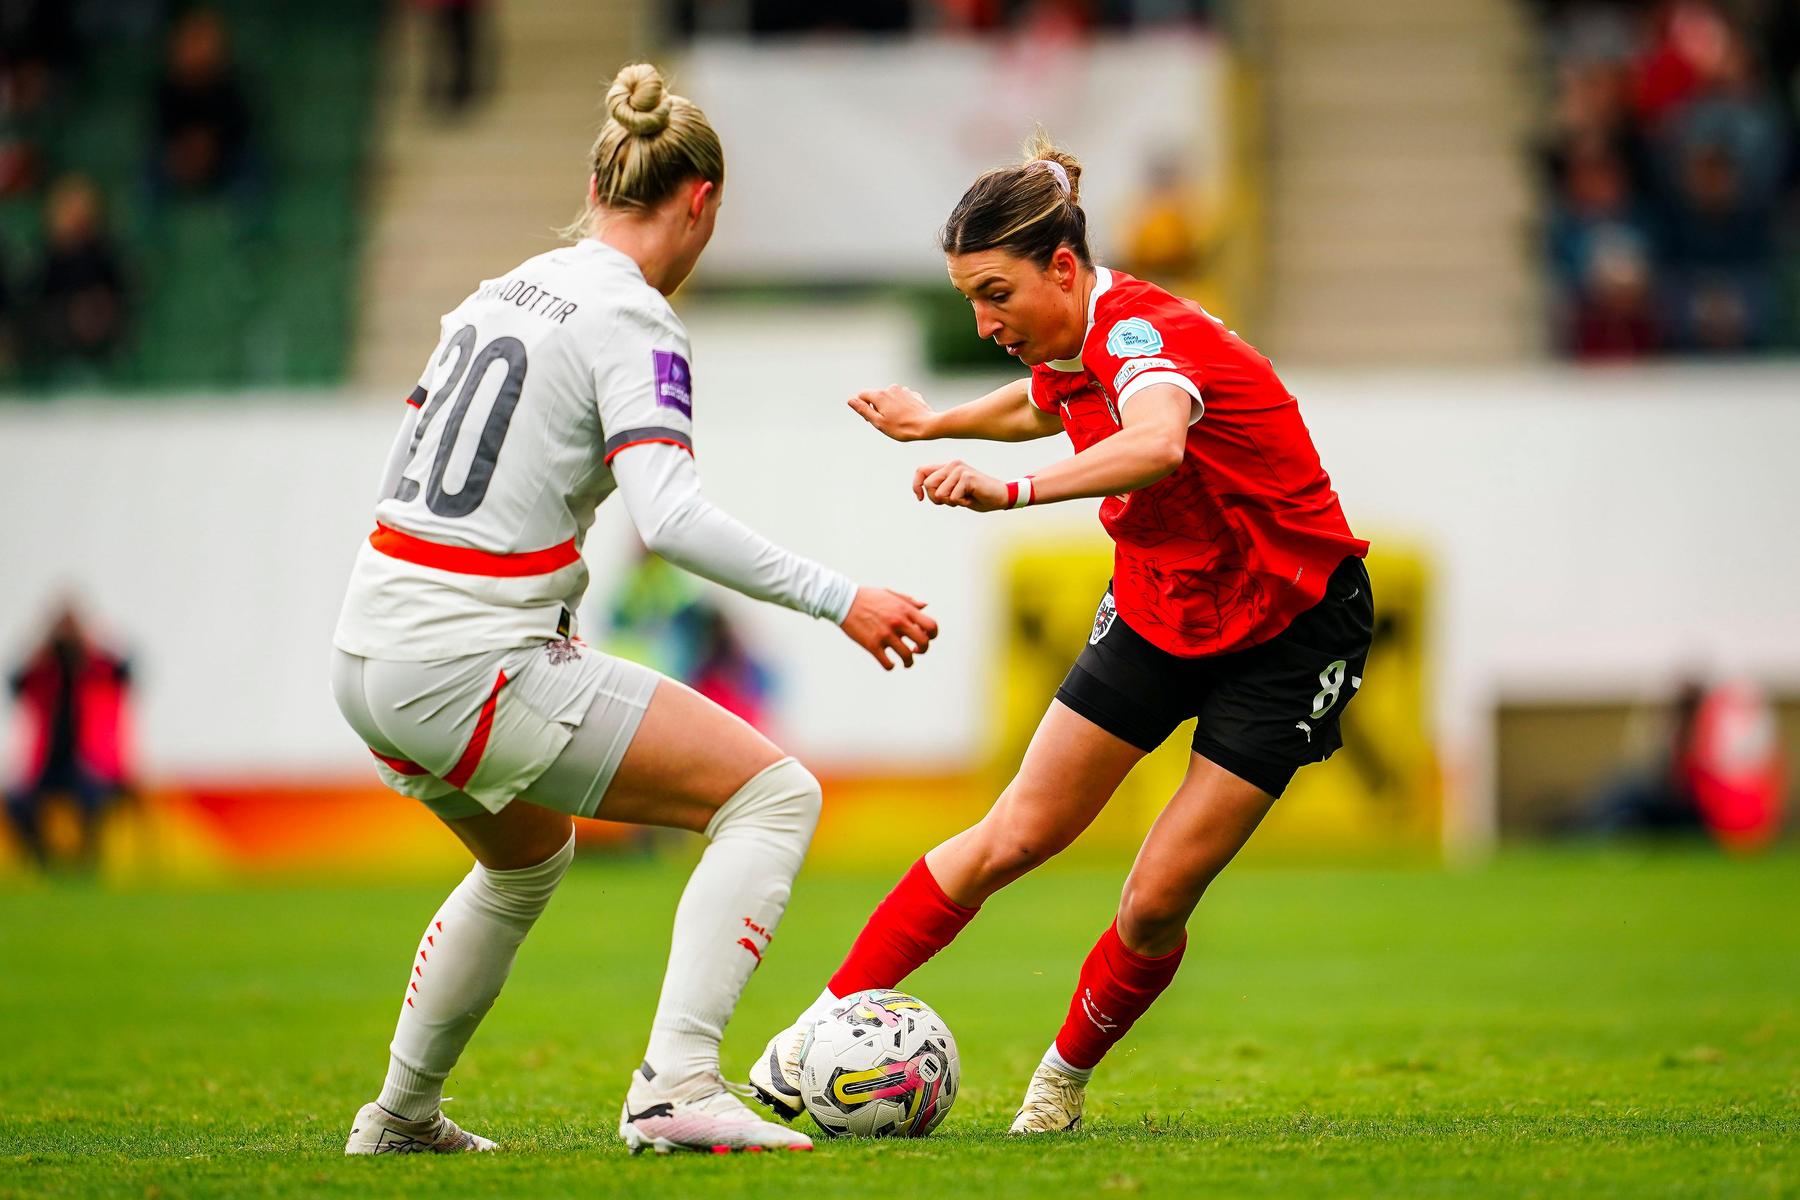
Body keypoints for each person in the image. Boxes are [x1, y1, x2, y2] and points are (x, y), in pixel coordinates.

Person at [329, 62, 936, 1156]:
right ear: (699, 201)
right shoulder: (633, 317)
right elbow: (673, 516)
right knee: (774, 795)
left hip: (370, 649)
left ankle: (400, 1116)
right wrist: (843, 598)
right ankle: (677, 1086)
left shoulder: (501, 291)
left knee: (524, 860)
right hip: (469, 663)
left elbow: (406, 458)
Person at [746, 134, 1372, 1134]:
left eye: (996, 294)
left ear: (1066, 269)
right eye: (969, 300)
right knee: (1014, 835)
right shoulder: (1075, 345)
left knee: (1153, 901)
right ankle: (811, 1033)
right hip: (1166, 604)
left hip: (1293, 630)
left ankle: (1060, 1083)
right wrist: (935, 424)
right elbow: (1046, 404)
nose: (985, 321)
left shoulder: (1137, 337)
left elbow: (1158, 438)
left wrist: (1012, 494)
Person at [5, 600, 135, 869]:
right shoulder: (44, 672)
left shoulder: (96, 667)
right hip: (46, 765)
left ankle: (85, 858)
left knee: (94, 800)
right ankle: (44, 859)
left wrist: (90, 638)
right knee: (16, 803)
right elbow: (15, 682)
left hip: (90, 763)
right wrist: (42, 642)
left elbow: (127, 670)